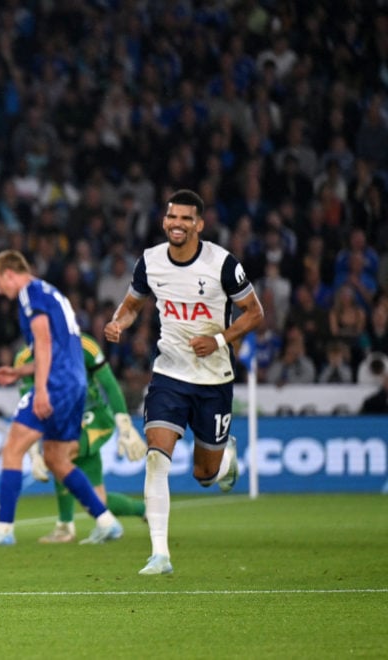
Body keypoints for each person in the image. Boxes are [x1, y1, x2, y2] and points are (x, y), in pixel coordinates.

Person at [104, 189, 265, 576]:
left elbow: (254, 312)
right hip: (169, 375)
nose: (177, 224)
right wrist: (117, 322)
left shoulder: (222, 264)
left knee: (204, 476)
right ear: (164, 221)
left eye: (185, 218)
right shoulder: (151, 262)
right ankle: (160, 554)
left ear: (199, 224)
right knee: (156, 458)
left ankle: (225, 458)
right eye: (171, 217)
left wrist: (220, 339)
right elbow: (132, 304)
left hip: (213, 379)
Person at [0, 250, 124, 547]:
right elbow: (59, 348)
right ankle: (107, 522)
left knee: (12, 448)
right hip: (74, 383)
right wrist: (18, 372)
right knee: (55, 458)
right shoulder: (53, 293)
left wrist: (39, 389)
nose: (0, 291)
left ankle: (2, 531)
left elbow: (44, 341)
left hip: (55, 383)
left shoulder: (29, 293)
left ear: (9, 273)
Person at [13, 334, 148, 544]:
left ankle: (65, 526)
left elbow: (110, 385)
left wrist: (125, 425)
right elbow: (28, 404)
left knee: (57, 454)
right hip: (64, 423)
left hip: (94, 417)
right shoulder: (24, 359)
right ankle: (147, 510)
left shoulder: (83, 346)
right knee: (97, 500)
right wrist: (32, 451)